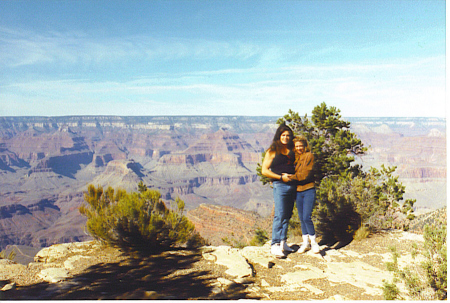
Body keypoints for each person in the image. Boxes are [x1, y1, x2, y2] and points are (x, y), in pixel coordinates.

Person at [261, 123, 297, 257]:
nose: (286, 138)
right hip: (280, 185)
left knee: (287, 214)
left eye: (288, 135)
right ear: (279, 136)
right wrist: (280, 177)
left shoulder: (292, 150)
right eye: (283, 135)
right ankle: (274, 244)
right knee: (280, 214)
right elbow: (264, 170)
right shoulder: (272, 151)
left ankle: (283, 242)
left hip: (293, 185)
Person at [289, 135, 320, 253]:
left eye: (301, 146)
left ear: (305, 146)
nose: (299, 148)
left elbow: (305, 174)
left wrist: (289, 178)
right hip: (298, 191)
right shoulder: (295, 158)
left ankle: (314, 243)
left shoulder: (309, 156)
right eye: (296, 146)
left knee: (307, 217)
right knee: (301, 218)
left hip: (308, 190)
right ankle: (305, 243)